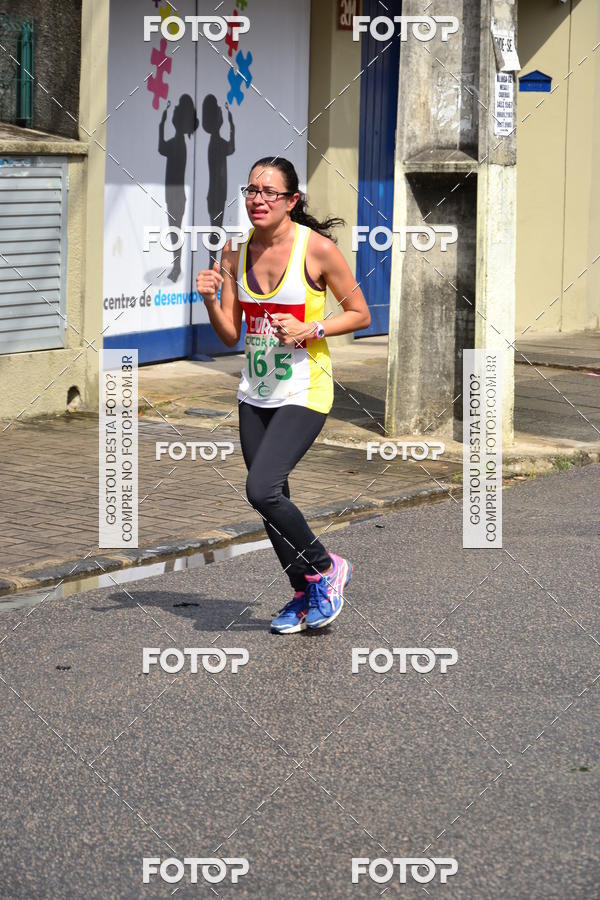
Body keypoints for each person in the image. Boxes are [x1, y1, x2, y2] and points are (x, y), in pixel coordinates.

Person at [195, 156, 371, 633]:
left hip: (304, 389)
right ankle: (303, 590)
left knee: (262, 488)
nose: (257, 199)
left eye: (270, 192)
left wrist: (311, 327)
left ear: (292, 201)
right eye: (252, 190)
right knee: (271, 501)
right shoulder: (236, 250)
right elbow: (231, 333)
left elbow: (359, 313)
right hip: (256, 392)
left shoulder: (316, 251)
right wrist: (211, 297)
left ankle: (327, 566)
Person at [158, 94, 199, 282]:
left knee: (175, 230)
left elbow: (162, 148)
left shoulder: (178, 144)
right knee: (175, 229)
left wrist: (162, 124)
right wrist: (162, 122)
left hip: (176, 194)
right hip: (174, 193)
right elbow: (161, 149)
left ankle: (177, 267)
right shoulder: (179, 143)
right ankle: (177, 266)